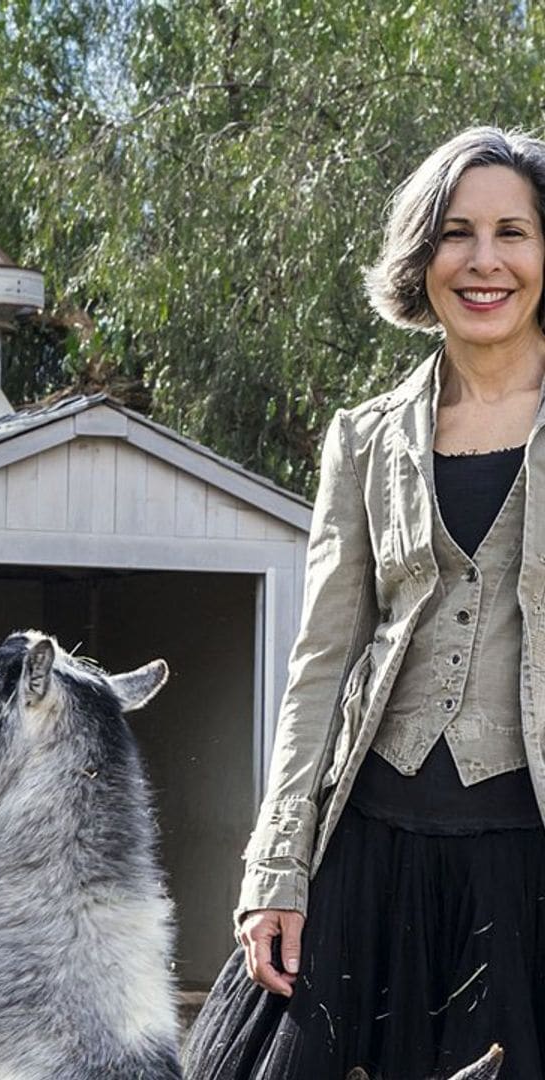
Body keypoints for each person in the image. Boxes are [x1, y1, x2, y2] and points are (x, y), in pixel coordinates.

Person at [184, 126, 545, 1079]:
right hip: (366, 855)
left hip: (527, 868)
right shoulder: (363, 439)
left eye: (514, 232)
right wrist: (276, 869)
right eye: (455, 234)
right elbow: (320, 663)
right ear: (421, 257)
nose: (484, 261)